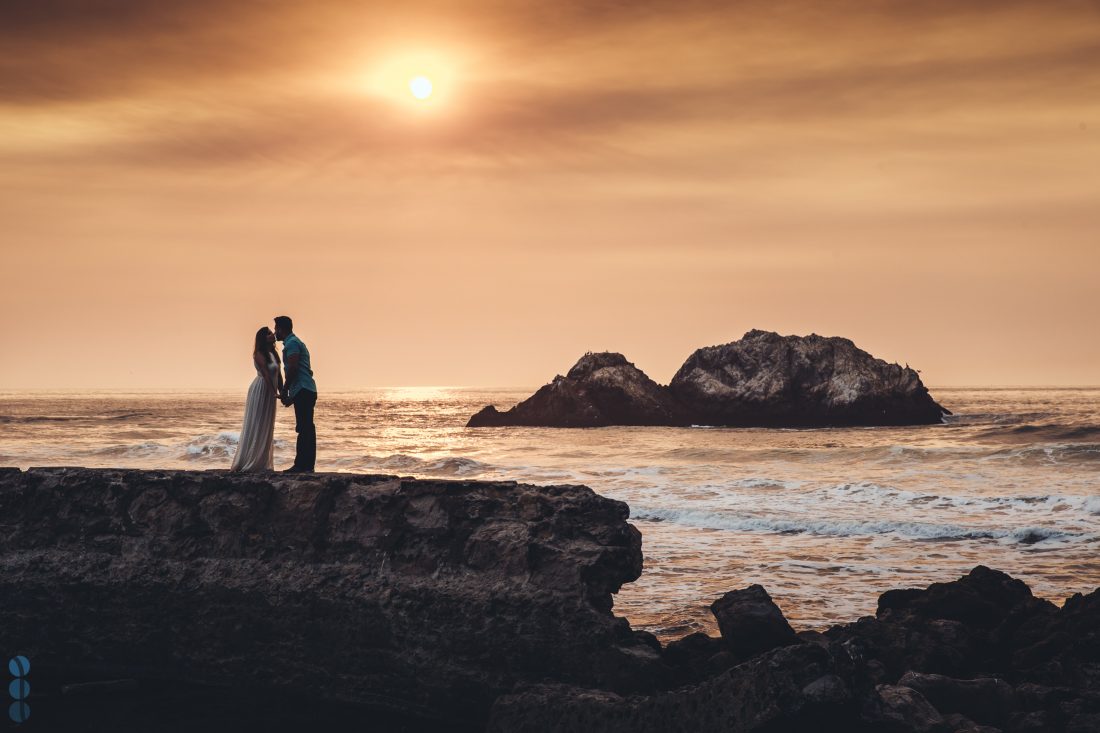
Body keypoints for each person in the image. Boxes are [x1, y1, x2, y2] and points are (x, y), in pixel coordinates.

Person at [230, 326, 282, 472]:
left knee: (267, 424)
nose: (272, 334)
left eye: (272, 332)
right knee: (257, 423)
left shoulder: (274, 353)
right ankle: (250, 460)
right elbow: (266, 374)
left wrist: (281, 391)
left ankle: (262, 461)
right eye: (269, 334)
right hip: (261, 389)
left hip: (271, 390)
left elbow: (278, 374)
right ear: (263, 338)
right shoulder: (259, 354)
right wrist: (273, 392)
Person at [274, 315, 318, 472]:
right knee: (307, 427)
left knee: (304, 428)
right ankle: (307, 465)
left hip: (303, 389)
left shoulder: (292, 344)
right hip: (305, 389)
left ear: (281, 329)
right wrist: (292, 396)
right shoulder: (296, 342)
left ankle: (301, 465)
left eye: (276, 328)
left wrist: (285, 389)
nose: (274, 332)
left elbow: (293, 368)